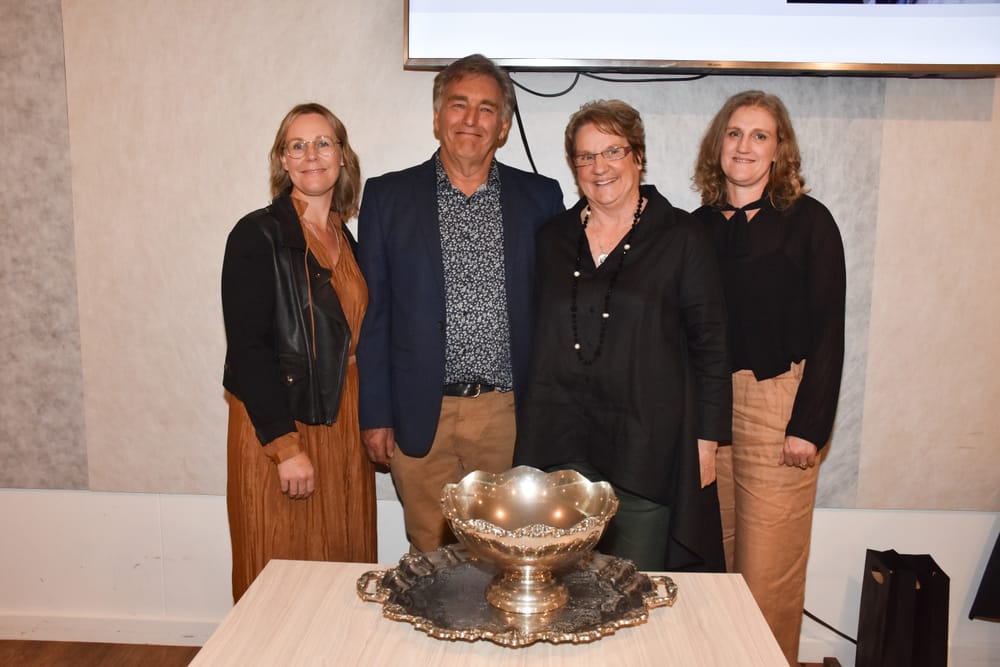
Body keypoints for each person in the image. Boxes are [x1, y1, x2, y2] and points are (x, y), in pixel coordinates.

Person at [356, 54, 564, 554]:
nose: (471, 120)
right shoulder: (387, 197)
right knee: (431, 551)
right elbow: (374, 314)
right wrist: (375, 413)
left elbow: (555, 313)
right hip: (418, 412)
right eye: (459, 105)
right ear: (436, 117)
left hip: (506, 413)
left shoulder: (541, 199)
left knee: (505, 552)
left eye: (486, 109)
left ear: (504, 126)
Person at [513, 100, 731, 572]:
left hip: (646, 449)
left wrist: (707, 442)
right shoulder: (550, 239)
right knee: (564, 590)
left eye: (612, 151)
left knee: (633, 588)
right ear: (574, 167)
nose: (600, 167)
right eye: (586, 157)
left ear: (638, 155)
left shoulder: (682, 237)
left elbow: (711, 346)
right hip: (560, 444)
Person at [692, 90, 846, 665]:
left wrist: (809, 425)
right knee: (717, 569)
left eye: (760, 135)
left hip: (778, 404)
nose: (745, 146)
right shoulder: (696, 228)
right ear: (717, 146)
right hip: (709, 409)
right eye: (734, 133)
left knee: (766, 578)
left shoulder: (809, 222)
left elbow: (831, 327)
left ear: (780, 151)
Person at [221, 103, 376, 601]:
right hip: (283, 424)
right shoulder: (257, 234)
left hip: (343, 422)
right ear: (283, 161)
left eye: (323, 143)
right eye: (298, 145)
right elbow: (248, 348)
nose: (312, 155)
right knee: (281, 571)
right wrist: (286, 448)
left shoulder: (347, 239)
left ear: (342, 158)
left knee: (341, 564)